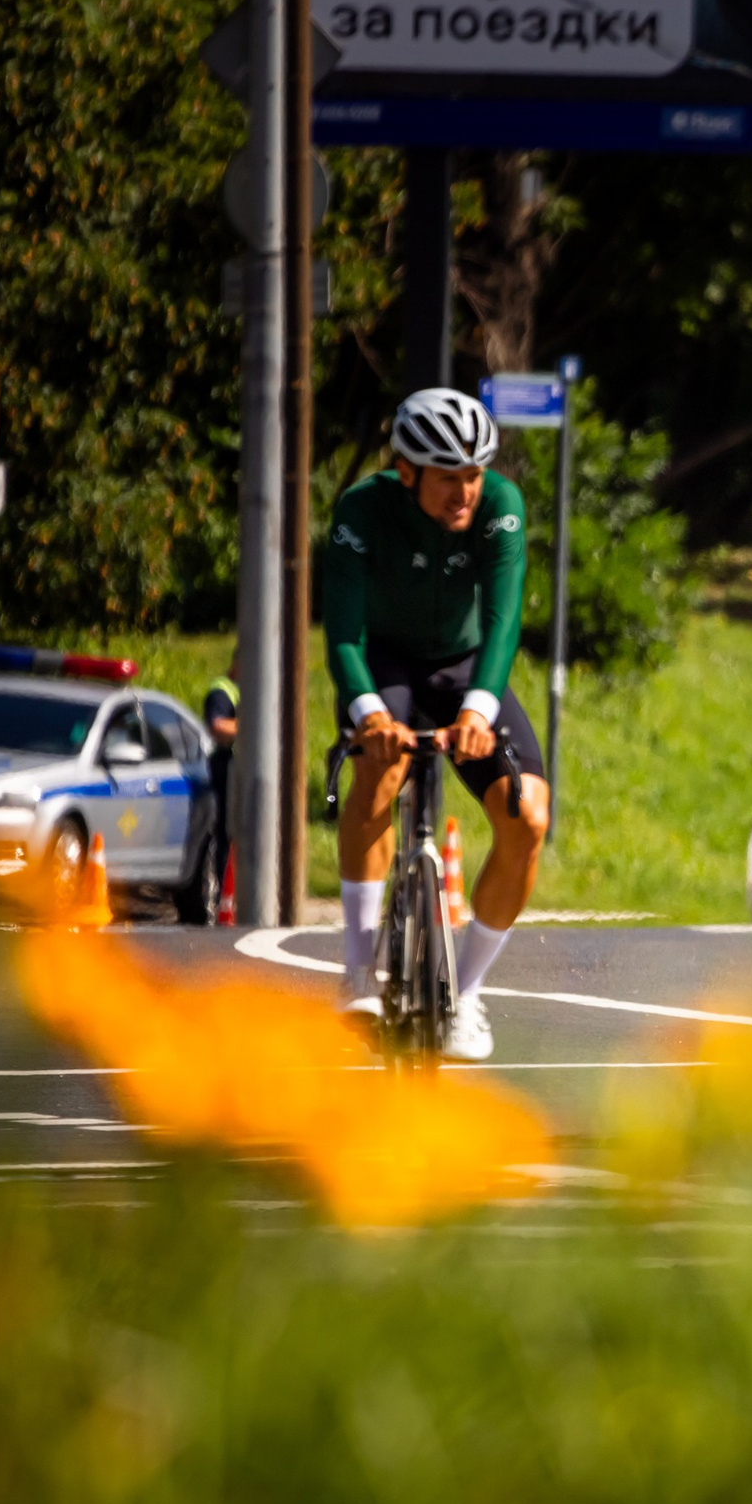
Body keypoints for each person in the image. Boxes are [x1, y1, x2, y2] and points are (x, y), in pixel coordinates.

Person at [326, 387, 552, 1062]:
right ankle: (358, 974)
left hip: (464, 667)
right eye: (449, 477)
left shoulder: (500, 506)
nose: (466, 491)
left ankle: (468, 993)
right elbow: (342, 632)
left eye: (474, 474)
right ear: (406, 471)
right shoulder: (362, 509)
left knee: (528, 817)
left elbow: (503, 621)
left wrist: (479, 709)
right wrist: (368, 712)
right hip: (383, 662)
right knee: (380, 771)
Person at [203, 658, 239, 914]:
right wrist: (256, 727)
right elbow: (218, 726)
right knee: (228, 832)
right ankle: (224, 900)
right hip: (227, 769)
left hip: (242, 771)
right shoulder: (223, 689)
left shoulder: (246, 690)